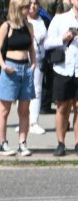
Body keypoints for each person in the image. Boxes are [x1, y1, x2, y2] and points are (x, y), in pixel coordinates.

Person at [0, 0, 36, 157]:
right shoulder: (7, 26)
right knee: (4, 109)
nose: (29, 9)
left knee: (25, 110)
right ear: (17, 8)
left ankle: (22, 143)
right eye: (26, 6)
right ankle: (3, 143)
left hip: (26, 69)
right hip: (11, 69)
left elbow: (31, 48)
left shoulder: (29, 26)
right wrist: (4, 66)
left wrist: (34, 65)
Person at [44, 0, 78, 156]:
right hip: (63, 69)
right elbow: (46, 43)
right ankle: (61, 142)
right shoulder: (60, 19)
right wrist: (63, 39)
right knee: (63, 107)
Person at [25, 0, 47, 135]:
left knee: (36, 90)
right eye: (30, 3)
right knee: (22, 92)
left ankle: (34, 121)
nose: (32, 6)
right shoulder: (21, 20)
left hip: (37, 60)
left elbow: (42, 38)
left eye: (35, 4)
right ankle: (25, 121)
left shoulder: (41, 21)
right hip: (22, 59)